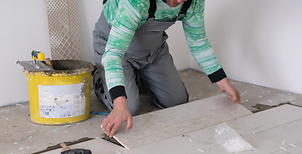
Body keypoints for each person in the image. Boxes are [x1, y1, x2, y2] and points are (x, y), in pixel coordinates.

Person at [92, 0, 240, 138]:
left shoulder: (194, 2)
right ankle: (100, 78)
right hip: (113, 48)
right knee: (129, 109)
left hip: (152, 51)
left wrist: (222, 81)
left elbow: (198, 41)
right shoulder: (137, 2)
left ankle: (136, 79)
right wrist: (119, 104)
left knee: (177, 101)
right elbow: (114, 53)